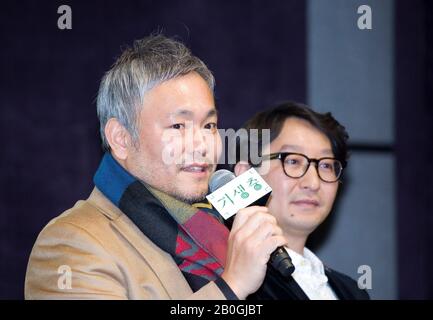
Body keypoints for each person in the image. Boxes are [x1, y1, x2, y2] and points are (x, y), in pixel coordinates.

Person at [24, 34, 286, 299]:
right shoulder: (71, 243)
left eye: (209, 126)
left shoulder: (220, 230)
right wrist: (232, 287)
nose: (201, 145)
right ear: (121, 138)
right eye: (178, 126)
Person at [232, 101, 370, 300]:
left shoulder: (353, 292)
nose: (313, 183)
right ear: (246, 175)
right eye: (293, 161)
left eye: (325, 165)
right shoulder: (225, 280)